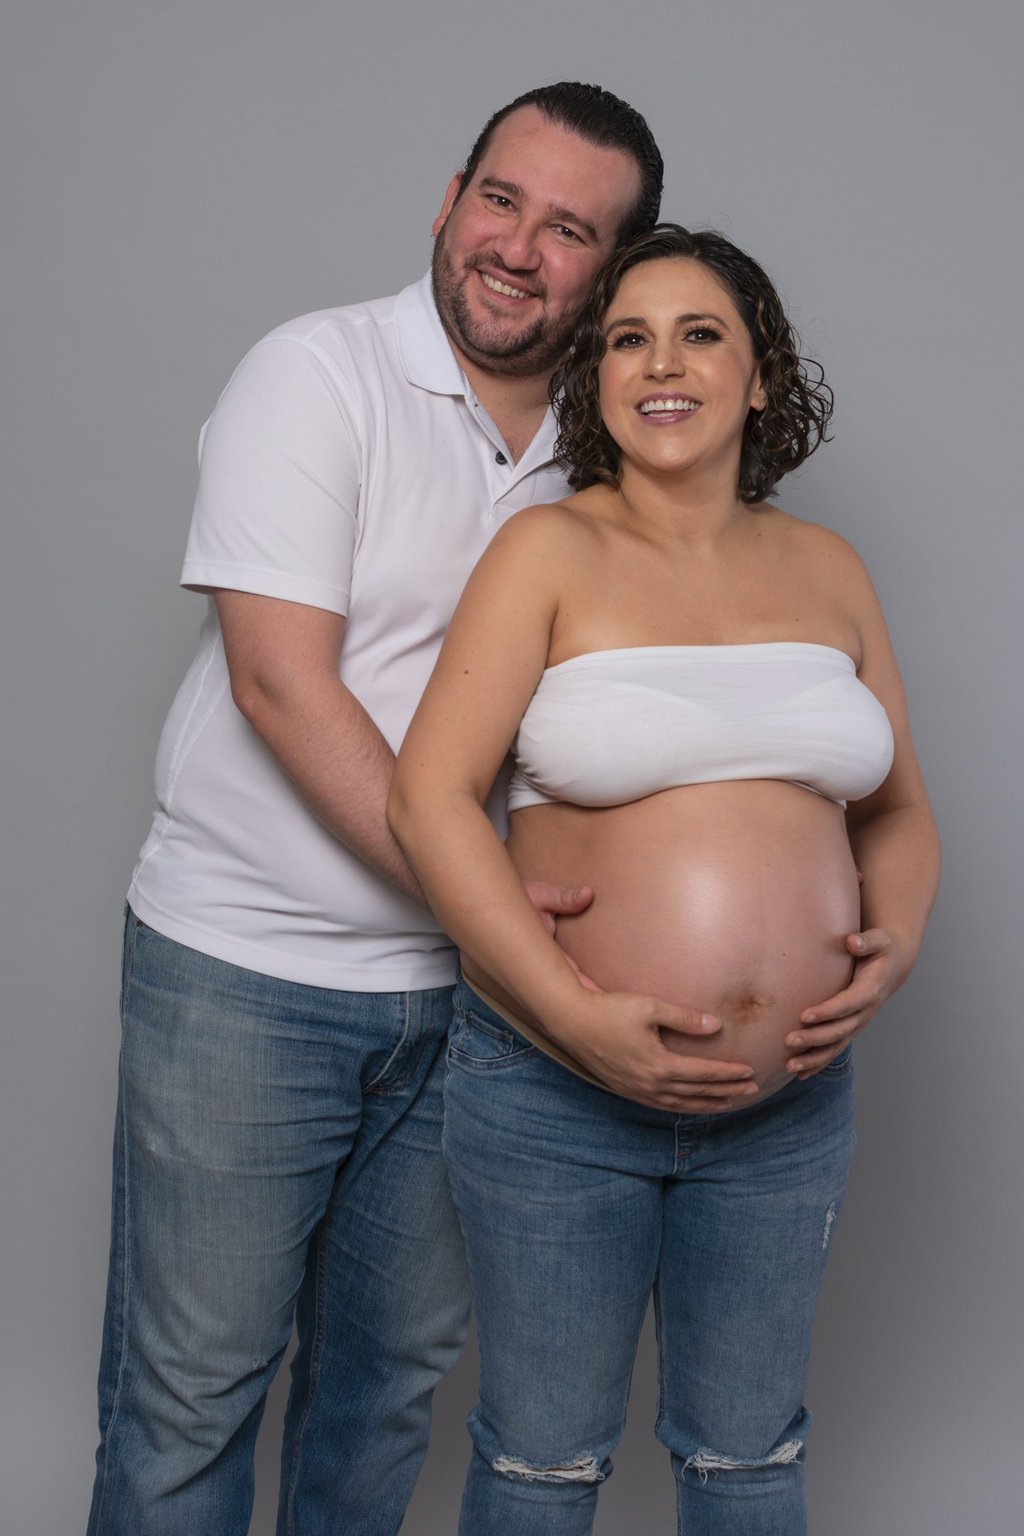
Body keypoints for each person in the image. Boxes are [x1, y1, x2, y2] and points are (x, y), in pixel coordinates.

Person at [87, 83, 674, 1536]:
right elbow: (282, 686)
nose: (516, 248)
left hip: (477, 1008)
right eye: (499, 200)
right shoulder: (315, 374)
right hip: (246, 975)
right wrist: (489, 899)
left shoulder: (614, 453)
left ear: (616, 270)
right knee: (191, 1398)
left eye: (568, 230)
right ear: (448, 200)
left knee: (386, 1392)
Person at [389, 224, 941, 1534]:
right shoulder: (547, 553)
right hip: (554, 1090)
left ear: (762, 374)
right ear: (599, 379)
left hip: (786, 1106)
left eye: (702, 334)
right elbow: (429, 799)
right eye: (629, 339)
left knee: (751, 1459)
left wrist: (898, 945)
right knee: (542, 1461)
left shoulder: (829, 570)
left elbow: (901, 813)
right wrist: (573, 1020)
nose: (664, 364)